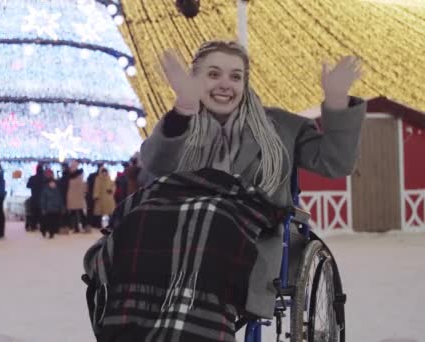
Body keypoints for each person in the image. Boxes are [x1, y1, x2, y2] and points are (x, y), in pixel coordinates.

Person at [83, 40, 365, 341]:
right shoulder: (182, 125)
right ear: (195, 80)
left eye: (235, 76)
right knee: (140, 220)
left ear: (245, 81)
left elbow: (335, 163)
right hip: (173, 224)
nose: (225, 84)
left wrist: (336, 101)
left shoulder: (283, 127)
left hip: (251, 229)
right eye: (213, 74)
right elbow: (155, 163)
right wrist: (184, 110)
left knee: (210, 215)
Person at [65, 160, 87, 233]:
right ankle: (77, 227)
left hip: (76, 196)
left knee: (78, 212)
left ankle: (82, 227)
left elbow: (82, 186)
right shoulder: (68, 175)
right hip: (73, 196)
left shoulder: (78, 174)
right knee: (75, 212)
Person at [26, 164, 46, 231]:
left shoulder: (32, 178)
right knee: (41, 213)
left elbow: (28, 186)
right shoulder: (44, 178)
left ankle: (33, 226)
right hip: (43, 198)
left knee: (34, 213)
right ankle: (42, 226)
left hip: (34, 197)